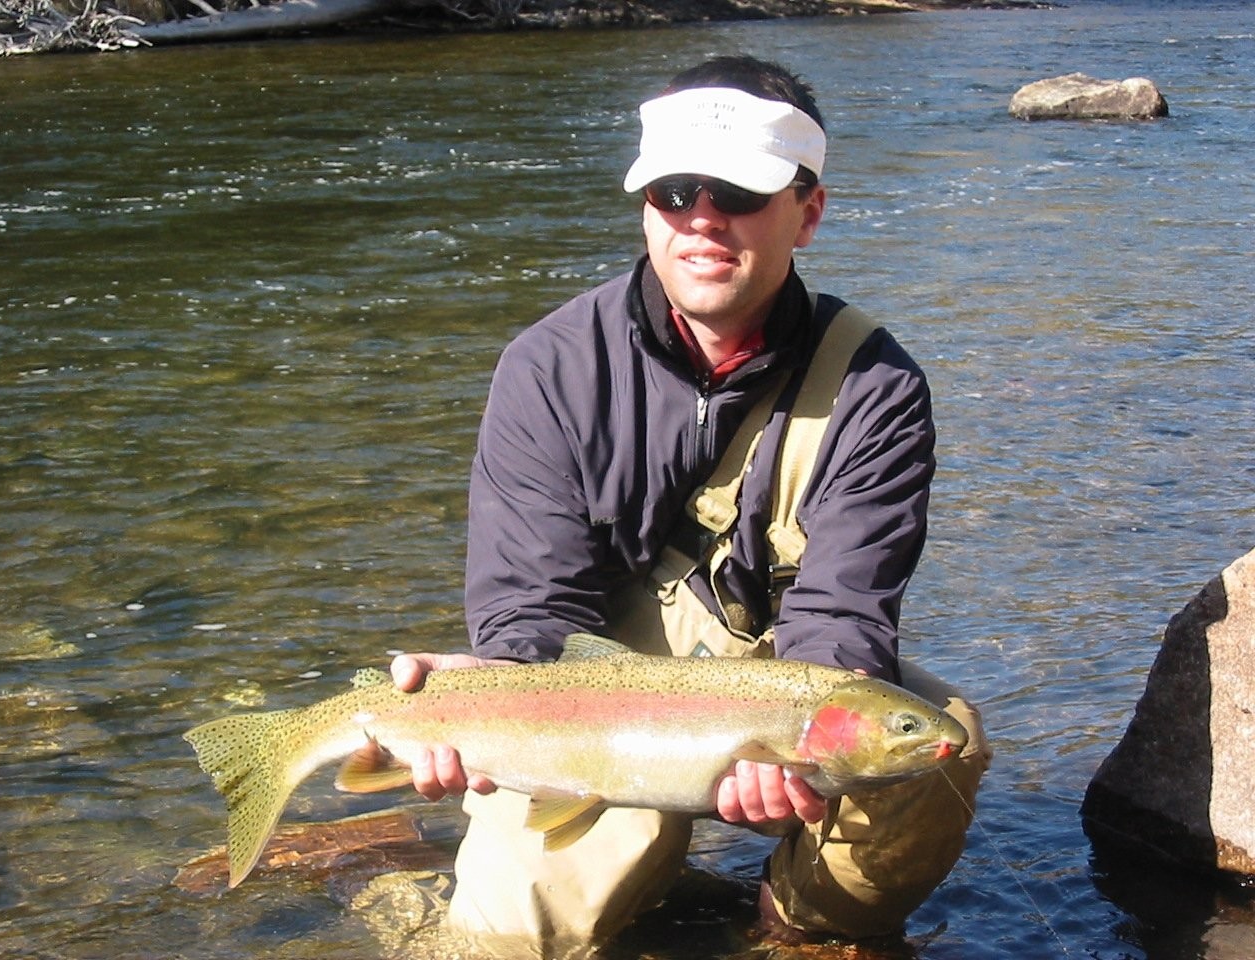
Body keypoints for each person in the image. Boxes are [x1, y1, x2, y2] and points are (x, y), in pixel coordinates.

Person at [391, 55, 990, 958]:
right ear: (645, 207)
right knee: (512, 938)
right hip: (595, 700)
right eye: (673, 192)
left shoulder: (875, 386)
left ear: (808, 212)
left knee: (942, 747)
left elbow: (844, 612)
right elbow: (531, 607)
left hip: (778, 677)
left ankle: (801, 928)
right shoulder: (549, 368)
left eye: (738, 193)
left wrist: (795, 752)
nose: (702, 218)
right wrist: (488, 702)